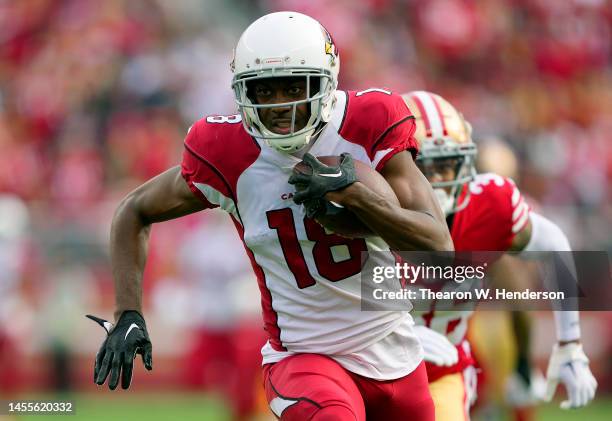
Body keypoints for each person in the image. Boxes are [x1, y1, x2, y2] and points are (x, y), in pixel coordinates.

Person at [88, 12, 452, 421]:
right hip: (302, 356)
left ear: (325, 82)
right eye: (265, 91)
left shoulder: (367, 123)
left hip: (393, 348)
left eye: (294, 87)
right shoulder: (226, 151)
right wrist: (128, 312)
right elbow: (133, 210)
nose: (281, 105)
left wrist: (359, 199)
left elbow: (439, 248)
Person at [402, 90, 598, 420]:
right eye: (424, 167)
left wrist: (570, 343)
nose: (437, 182)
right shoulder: (363, 208)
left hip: (445, 367)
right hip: (366, 364)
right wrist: (395, 332)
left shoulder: (490, 205)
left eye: (447, 165)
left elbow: (552, 245)